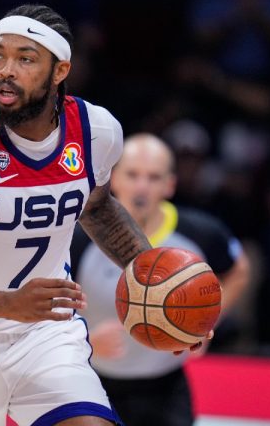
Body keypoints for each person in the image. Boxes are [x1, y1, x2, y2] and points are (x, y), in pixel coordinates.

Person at [0, 5, 206, 426]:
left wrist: (160, 289)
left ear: (60, 71)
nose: (6, 69)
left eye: (25, 58)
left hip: (43, 333)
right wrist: (6, 303)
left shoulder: (97, 131)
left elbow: (98, 206)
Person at [74, 134, 250, 426]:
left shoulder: (200, 233)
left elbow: (239, 269)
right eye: (132, 175)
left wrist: (205, 320)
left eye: (153, 177)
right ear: (114, 179)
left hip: (166, 387)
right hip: (94, 382)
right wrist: (84, 341)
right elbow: (46, 304)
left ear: (170, 185)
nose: (142, 186)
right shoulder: (80, 237)